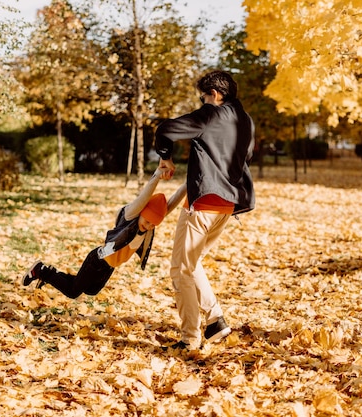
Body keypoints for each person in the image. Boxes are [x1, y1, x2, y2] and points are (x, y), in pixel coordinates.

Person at [155, 70, 255, 350]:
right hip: (226, 206)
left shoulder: (211, 115)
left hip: (202, 206)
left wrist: (165, 158)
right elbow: (246, 156)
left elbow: (165, 129)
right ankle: (215, 321)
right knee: (193, 263)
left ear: (215, 94)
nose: (202, 101)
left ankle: (190, 338)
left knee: (180, 270)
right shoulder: (246, 121)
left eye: (203, 96)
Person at [22, 166, 186, 299]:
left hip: (109, 266)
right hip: (98, 259)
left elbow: (171, 203)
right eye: (147, 220)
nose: (148, 225)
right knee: (73, 292)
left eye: (153, 224)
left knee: (90, 290)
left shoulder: (151, 226)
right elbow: (145, 195)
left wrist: (189, 183)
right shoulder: (131, 216)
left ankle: (52, 274)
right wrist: (157, 175)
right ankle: (41, 270)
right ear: (142, 211)